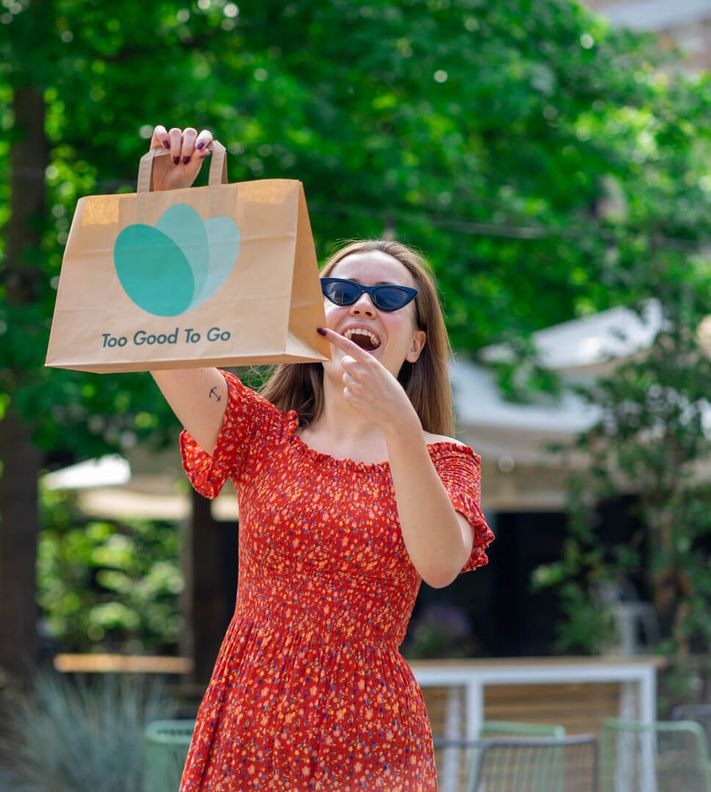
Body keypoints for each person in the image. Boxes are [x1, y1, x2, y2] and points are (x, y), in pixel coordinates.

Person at [147, 125, 494, 791]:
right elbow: (163, 342)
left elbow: (443, 564)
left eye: (390, 299)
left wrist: (398, 424)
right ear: (317, 320)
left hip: (371, 732)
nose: (364, 302)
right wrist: (168, 211)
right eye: (342, 292)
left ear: (416, 344)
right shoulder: (259, 433)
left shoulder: (443, 459)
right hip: (253, 716)